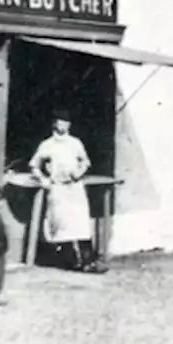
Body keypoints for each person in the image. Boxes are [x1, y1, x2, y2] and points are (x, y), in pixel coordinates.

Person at [29, 110, 104, 273]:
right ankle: (71, 261)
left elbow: (85, 162)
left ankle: (88, 260)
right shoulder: (47, 145)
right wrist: (43, 179)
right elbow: (34, 165)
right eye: (59, 121)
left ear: (69, 125)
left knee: (81, 223)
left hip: (74, 187)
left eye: (65, 122)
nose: (62, 125)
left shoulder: (75, 143)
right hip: (58, 187)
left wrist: (79, 172)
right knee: (62, 225)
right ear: (54, 124)